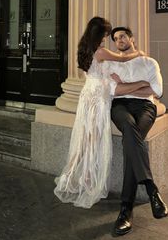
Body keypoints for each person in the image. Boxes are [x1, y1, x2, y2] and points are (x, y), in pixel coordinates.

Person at [54, 17, 148, 209]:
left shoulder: (85, 49)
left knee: (85, 139)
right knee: (93, 139)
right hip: (97, 98)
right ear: (99, 33)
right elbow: (123, 57)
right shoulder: (101, 51)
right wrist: (139, 52)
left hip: (89, 94)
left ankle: (69, 177)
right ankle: (87, 180)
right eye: (106, 33)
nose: (107, 36)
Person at [110, 26, 168, 236]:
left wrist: (128, 85)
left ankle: (126, 210)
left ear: (132, 38)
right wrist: (142, 84)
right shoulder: (112, 64)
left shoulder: (149, 62)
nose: (119, 41)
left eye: (122, 36)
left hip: (146, 107)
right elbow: (114, 91)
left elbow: (158, 90)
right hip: (120, 107)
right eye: (116, 39)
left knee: (131, 143)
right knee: (128, 128)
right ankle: (151, 189)